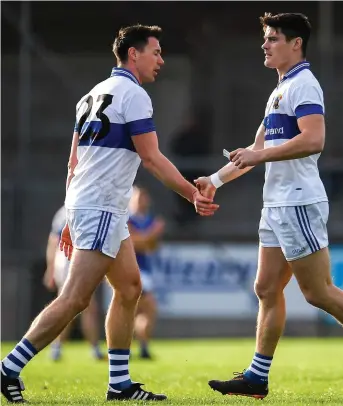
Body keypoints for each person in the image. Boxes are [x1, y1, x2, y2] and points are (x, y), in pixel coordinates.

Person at [1, 24, 218, 403]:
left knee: (130, 287)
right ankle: (7, 369)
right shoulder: (133, 95)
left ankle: (119, 384)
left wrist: (70, 215)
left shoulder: (91, 95)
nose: (161, 60)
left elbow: (73, 163)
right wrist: (191, 193)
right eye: (156, 52)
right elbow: (151, 158)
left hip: (98, 207)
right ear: (133, 54)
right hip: (101, 206)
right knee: (74, 300)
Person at [196, 12, 343, 401]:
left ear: (296, 44)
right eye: (265, 38)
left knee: (318, 292)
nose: (265, 44)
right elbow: (257, 150)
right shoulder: (280, 89)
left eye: (273, 38)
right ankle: (257, 379)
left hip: (297, 202)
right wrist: (215, 180)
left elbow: (314, 140)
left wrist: (259, 158)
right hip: (275, 204)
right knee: (265, 287)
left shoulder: (305, 85)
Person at [43, 205, 105, 361]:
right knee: (66, 305)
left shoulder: (94, 207)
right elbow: (54, 241)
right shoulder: (65, 211)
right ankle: (56, 346)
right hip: (67, 260)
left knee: (88, 306)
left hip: (83, 259)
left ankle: (94, 348)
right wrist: (50, 268)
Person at [128, 186, 164, 360]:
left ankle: (141, 346)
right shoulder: (128, 220)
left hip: (145, 271)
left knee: (142, 312)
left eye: (144, 197)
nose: (142, 201)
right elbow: (135, 243)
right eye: (138, 197)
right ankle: (137, 347)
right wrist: (152, 233)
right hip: (131, 270)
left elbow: (151, 246)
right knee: (147, 307)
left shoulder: (148, 220)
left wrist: (147, 238)